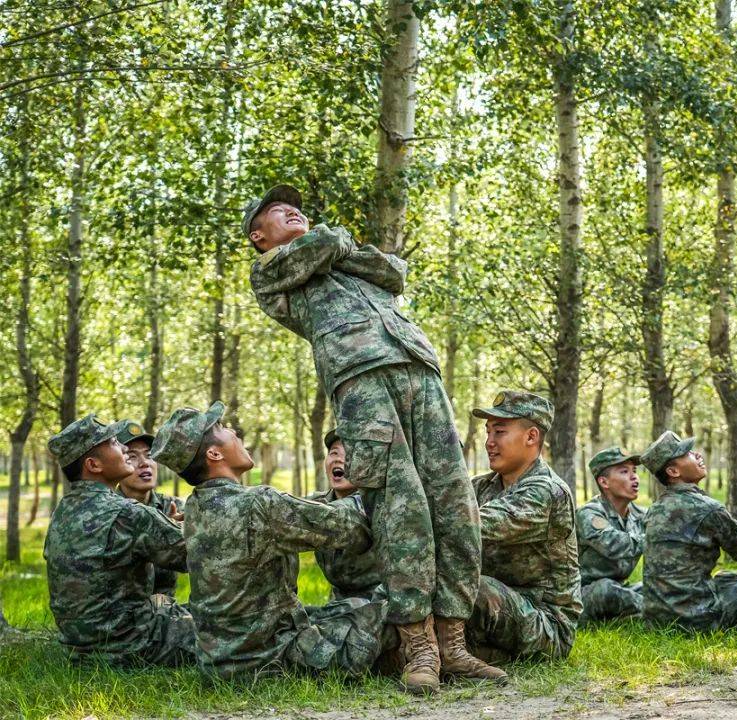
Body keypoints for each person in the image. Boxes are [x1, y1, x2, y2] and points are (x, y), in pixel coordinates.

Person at [244, 184, 493, 691]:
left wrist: (343, 251)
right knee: (402, 511)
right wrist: (338, 244)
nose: (293, 211)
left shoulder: (330, 256)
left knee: (455, 503)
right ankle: (417, 648)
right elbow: (323, 245)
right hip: (359, 381)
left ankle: (452, 642)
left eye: (297, 207)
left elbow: (394, 272)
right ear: (258, 235)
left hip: (420, 370)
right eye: (277, 211)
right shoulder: (271, 272)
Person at [151, 402, 389, 681]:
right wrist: (371, 495)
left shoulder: (194, 508)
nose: (233, 432)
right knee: (392, 604)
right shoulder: (257, 504)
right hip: (273, 660)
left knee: (346, 608)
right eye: (222, 428)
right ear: (214, 453)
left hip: (218, 663)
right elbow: (348, 528)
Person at [45, 415, 194, 666]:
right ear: (93, 465)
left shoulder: (63, 511)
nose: (124, 448)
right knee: (228, 623)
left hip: (81, 651)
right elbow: (200, 555)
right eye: (114, 443)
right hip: (133, 646)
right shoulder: (125, 513)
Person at [467, 391, 581, 664]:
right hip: (496, 615)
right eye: (488, 433)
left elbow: (468, 524)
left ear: (531, 437)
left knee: (471, 588)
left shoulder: (547, 491)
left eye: (500, 432)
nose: (489, 443)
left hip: (545, 626)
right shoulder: (482, 486)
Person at [640, 431, 737, 631]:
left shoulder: (655, 509)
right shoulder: (708, 508)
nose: (698, 455)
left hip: (656, 618)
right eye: (688, 454)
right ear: (673, 471)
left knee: (726, 577)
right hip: (697, 620)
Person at [307, 428, 380, 602]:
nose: (339, 459)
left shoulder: (376, 503)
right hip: (338, 602)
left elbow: (341, 513)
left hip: (379, 602)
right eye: (334, 453)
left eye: (349, 454)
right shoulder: (318, 502)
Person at [116, 420, 186, 596]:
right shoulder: (109, 511)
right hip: (124, 615)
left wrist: (181, 530)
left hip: (166, 611)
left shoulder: (172, 507)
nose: (144, 463)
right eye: (132, 456)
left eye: (149, 455)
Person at [576, 447, 645, 624]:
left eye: (634, 471)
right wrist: (653, 538)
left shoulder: (639, 515)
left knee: (652, 588)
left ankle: (635, 612)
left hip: (619, 588)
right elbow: (615, 546)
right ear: (604, 482)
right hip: (580, 595)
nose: (634, 477)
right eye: (624, 471)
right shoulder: (589, 514)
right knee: (606, 590)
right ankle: (657, 611)